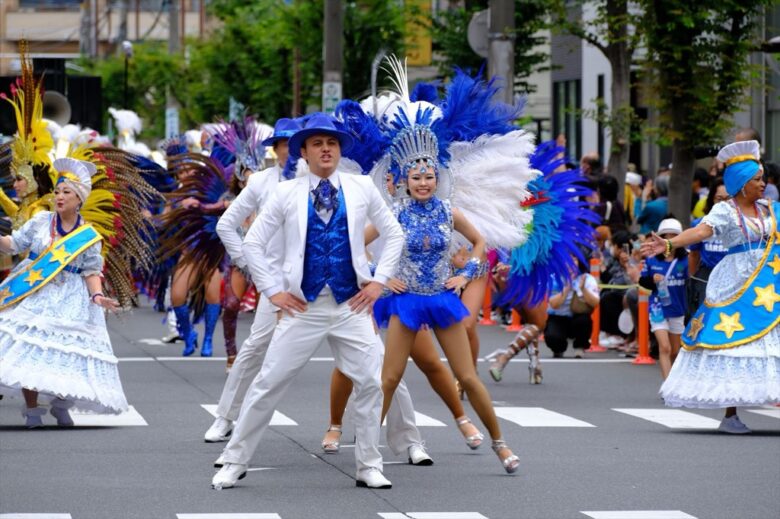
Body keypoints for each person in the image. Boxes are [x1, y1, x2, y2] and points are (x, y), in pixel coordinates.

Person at [212, 113, 404, 490]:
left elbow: (394, 234)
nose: (326, 149)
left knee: (369, 383)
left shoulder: (362, 186)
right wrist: (272, 290)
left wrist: (379, 281)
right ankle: (235, 460)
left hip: (351, 304)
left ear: (339, 150)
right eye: (317, 143)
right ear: (303, 152)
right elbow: (251, 242)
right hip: (304, 306)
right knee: (268, 381)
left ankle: (369, 465)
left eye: (332, 143)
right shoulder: (286, 193)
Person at [373, 139, 520, 475]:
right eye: (416, 177)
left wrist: (465, 274)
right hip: (407, 301)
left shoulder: (448, 211)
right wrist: (379, 278)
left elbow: (480, 242)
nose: (423, 183)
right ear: (405, 180)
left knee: (467, 376)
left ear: (437, 179)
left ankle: (500, 444)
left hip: (441, 300)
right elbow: (359, 245)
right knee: (390, 377)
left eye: (428, 177)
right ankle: (367, 450)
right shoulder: (393, 213)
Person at [641, 140, 779, 433]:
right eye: (757, 179)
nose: (763, 183)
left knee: (771, 342)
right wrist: (669, 242)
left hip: (769, 283)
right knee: (732, 343)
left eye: (763, 178)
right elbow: (700, 232)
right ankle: (730, 414)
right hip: (736, 282)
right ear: (742, 184)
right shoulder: (725, 212)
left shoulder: (770, 209)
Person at [0, 158, 128, 427]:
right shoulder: (40, 222)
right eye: (57, 191)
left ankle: (60, 405)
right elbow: (14, 244)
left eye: (66, 192)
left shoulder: (88, 236)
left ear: (79, 199)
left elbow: (92, 271)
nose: (59, 197)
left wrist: (97, 296)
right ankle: (32, 409)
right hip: (34, 291)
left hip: (71, 297)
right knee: (28, 350)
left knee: (66, 355)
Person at [204, 118, 300, 443]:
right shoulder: (260, 182)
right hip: (277, 286)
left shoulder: (320, 181)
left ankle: (405, 437)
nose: (294, 151)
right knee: (255, 348)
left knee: (365, 352)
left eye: (298, 143)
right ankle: (225, 416)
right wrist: (249, 264)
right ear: (277, 149)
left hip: (324, 283)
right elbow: (226, 225)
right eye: (286, 145)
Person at [639, 218, 688, 380]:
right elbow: (642, 281)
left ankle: (675, 381)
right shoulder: (651, 259)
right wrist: (653, 279)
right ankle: (667, 385)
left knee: (675, 350)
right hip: (657, 308)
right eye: (666, 236)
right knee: (665, 347)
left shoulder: (686, 260)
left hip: (678, 308)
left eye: (674, 236)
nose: (670, 239)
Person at [544, 259, 600, 358]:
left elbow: (595, 303)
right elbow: (554, 304)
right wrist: (567, 288)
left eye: (574, 260)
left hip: (577, 316)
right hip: (558, 317)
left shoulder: (586, 278)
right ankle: (558, 348)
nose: (570, 264)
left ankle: (580, 346)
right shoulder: (554, 278)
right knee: (553, 337)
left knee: (584, 321)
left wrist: (583, 289)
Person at [687, 179, 728, 312]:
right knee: (705, 317)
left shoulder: (742, 226)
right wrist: (693, 280)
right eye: (719, 198)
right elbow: (694, 255)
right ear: (712, 200)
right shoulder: (699, 224)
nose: (724, 203)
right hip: (707, 277)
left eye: (728, 199)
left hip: (732, 276)